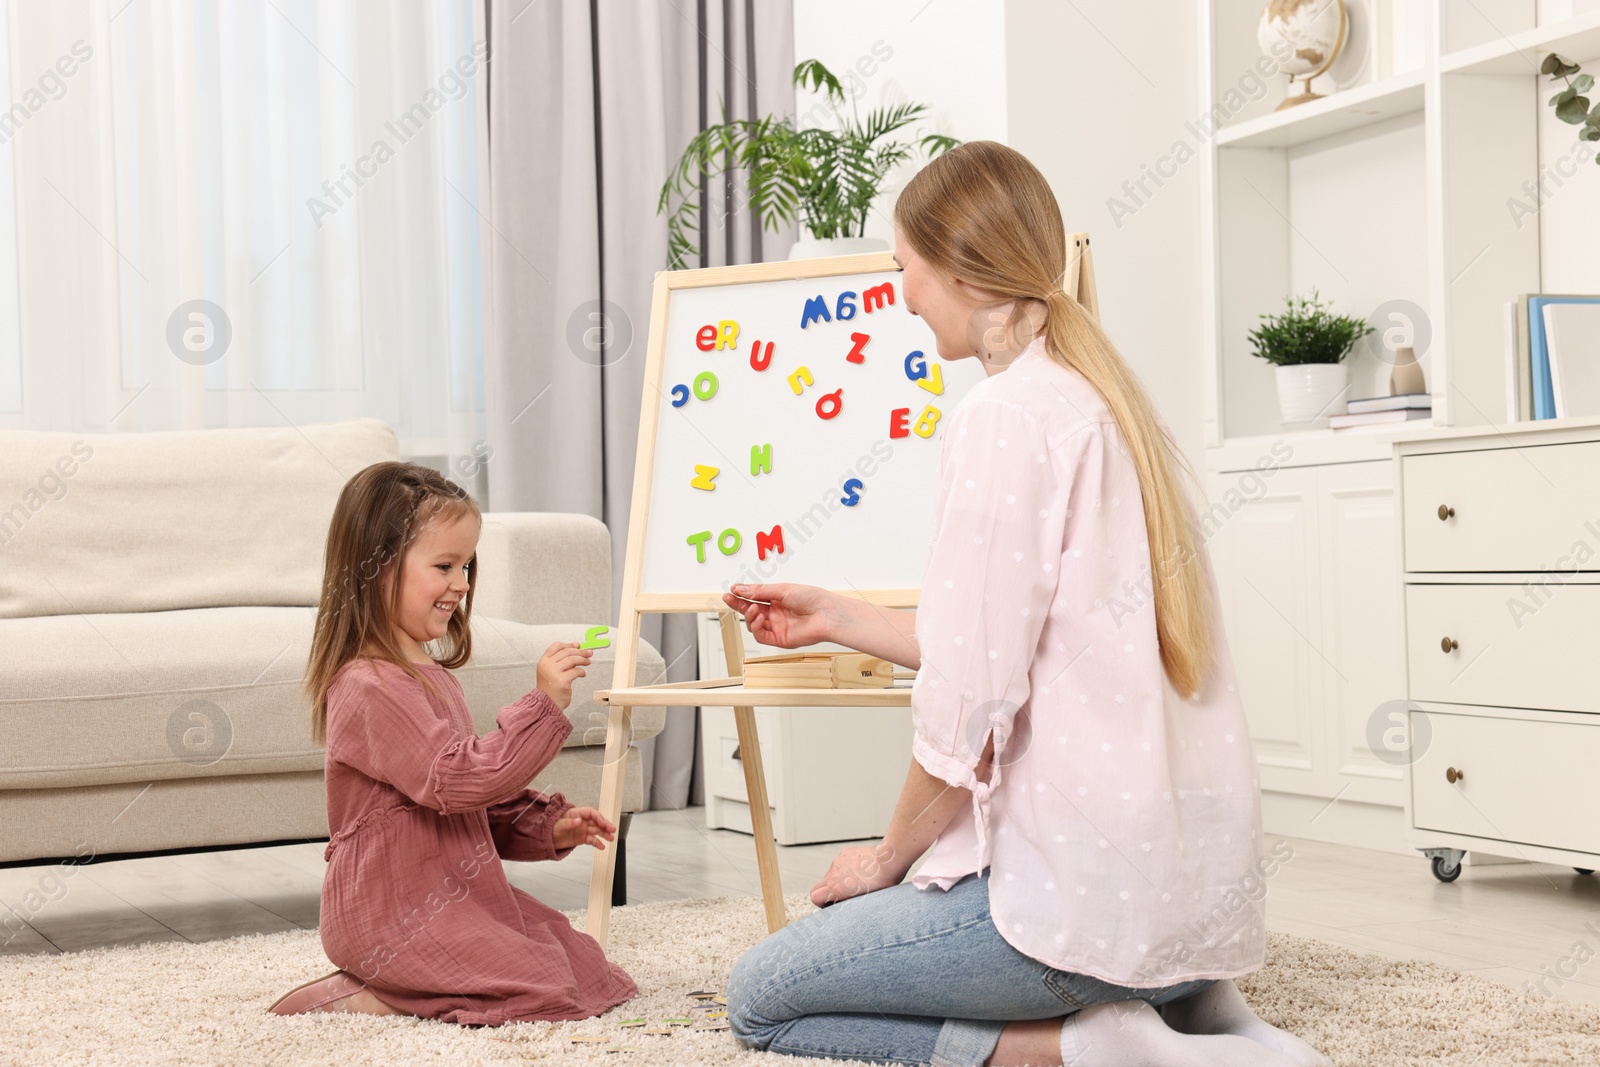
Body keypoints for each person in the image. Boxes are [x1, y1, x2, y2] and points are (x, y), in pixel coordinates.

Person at [721, 142, 1330, 1067]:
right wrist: (838, 615)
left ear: (958, 266)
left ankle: (1097, 1046)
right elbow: (1028, 645)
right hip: (1181, 912)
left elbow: (966, 702)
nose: (902, 294)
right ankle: (1198, 1009)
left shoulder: (1004, 415)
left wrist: (883, 861)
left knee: (761, 999)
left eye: (903, 269)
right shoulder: (1104, 399)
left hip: (1084, 921)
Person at [268, 461, 637, 1024]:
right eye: (444, 565)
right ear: (378, 570)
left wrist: (548, 826)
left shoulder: (428, 675)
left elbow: (471, 808)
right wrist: (543, 706)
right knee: (540, 989)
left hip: (457, 897)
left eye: (466, 566)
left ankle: (407, 986)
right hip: (392, 912)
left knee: (583, 965)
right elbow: (456, 780)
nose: (462, 584)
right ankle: (374, 992)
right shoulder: (367, 685)